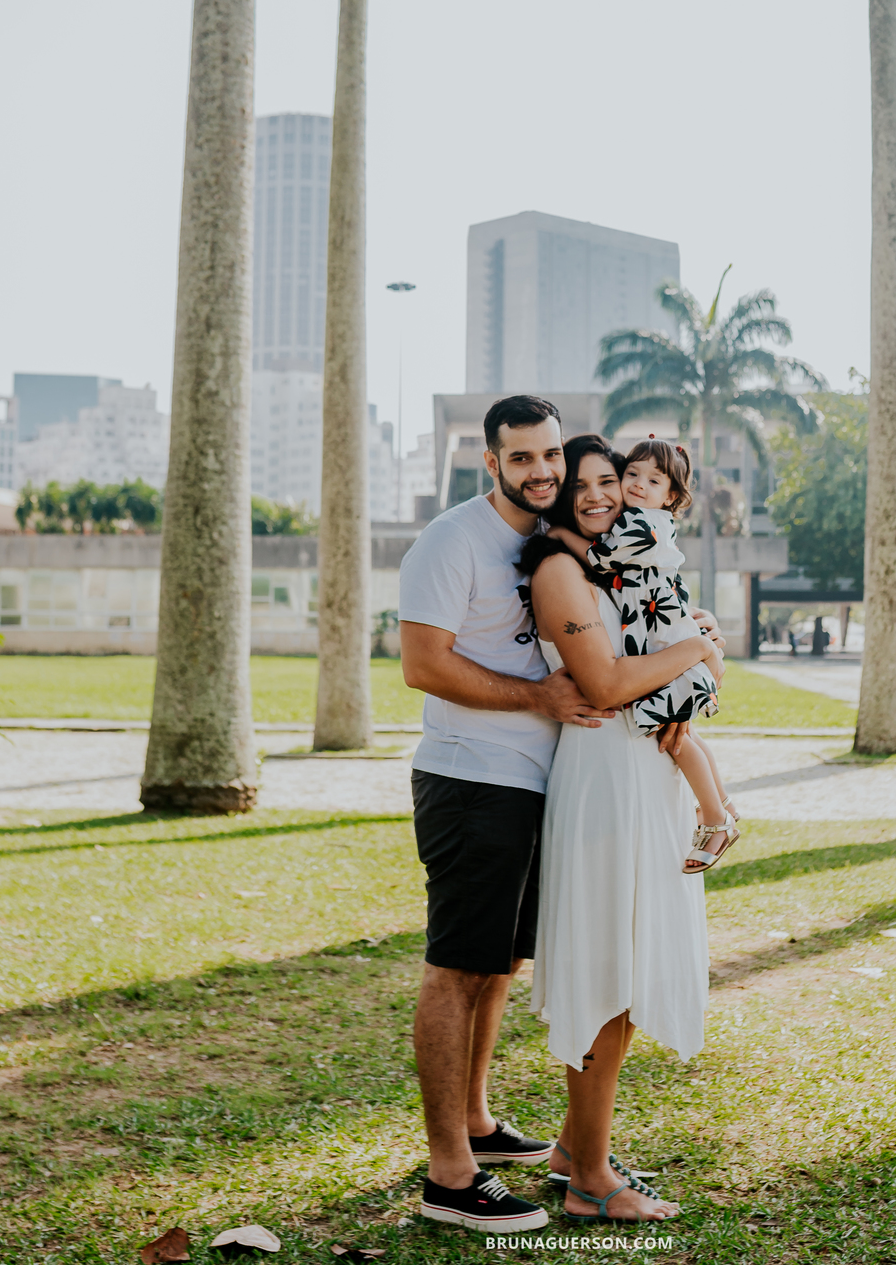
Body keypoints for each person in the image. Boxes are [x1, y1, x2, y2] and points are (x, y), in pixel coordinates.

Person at [398, 395, 616, 1235]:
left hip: (531, 784)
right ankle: (449, 1175)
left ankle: (479, 1128)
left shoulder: (552, 541)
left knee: (500, 965)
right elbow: (423, 665)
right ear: (490, 463)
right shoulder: (451, 542)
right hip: (469, 780)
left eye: (550, 456)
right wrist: (538, 698)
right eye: (521, 459)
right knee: (457, 968)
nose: (541, 472)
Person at [523, 434, 727, 1225]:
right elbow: (607, 683)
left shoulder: (627, 558)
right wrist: (692, 649)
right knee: (607, 972)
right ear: (562, 492)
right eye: (586, 483)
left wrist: (701, 650)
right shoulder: (561, 570)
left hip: (645, 772)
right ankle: (589, 1183)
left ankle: (579, 1150)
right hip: (604, 778)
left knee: (631, 970)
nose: (601, 494)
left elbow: (695, 667)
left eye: (614, 481)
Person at [549, 436, 737, 872]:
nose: (636, 485)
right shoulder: (641, 520)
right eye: (631, 474)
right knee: (682, 736)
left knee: (670, 737)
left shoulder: (641, 525)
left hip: (667, 644)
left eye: (651, 480)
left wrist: (558, 534)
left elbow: (600, 561)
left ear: (671, 495)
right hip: (668, 638)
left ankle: (715, 817)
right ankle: (722, 802)